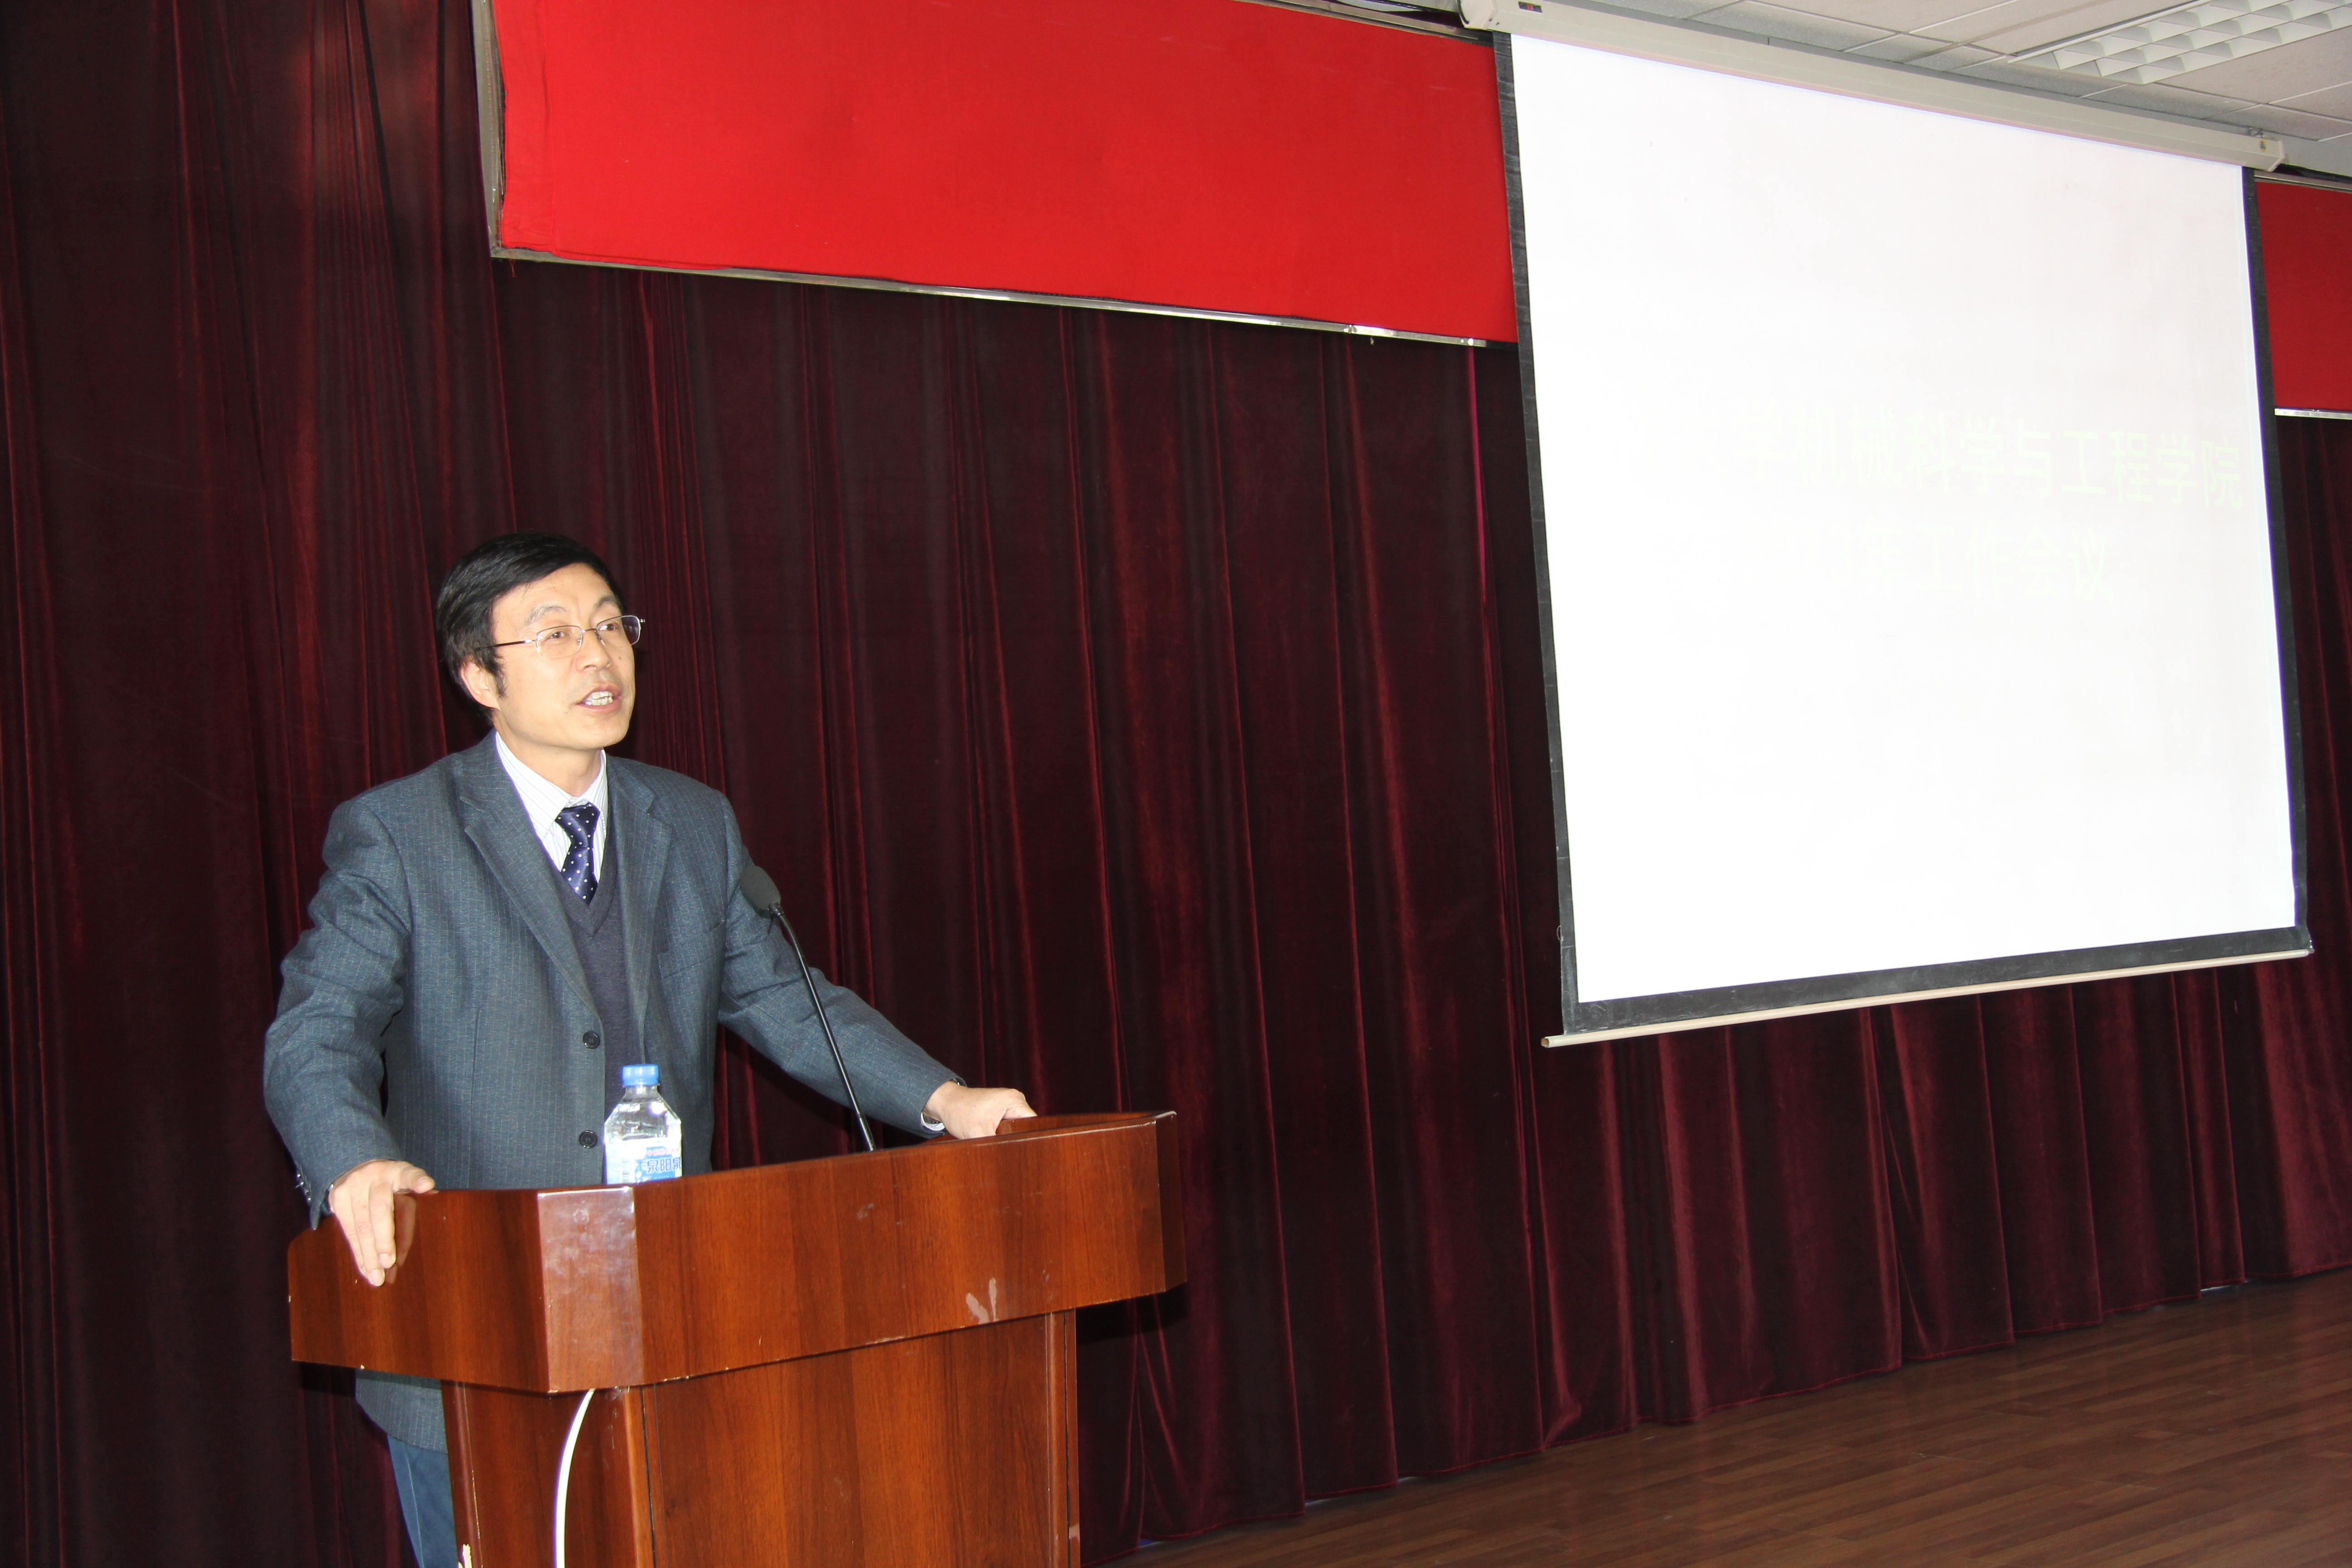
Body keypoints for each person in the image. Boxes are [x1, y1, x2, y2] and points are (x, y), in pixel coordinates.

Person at [262, 532, 1034, 1568]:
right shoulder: (401, 833)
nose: (598, 656)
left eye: (609, 627)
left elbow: (784, 998)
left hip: (665, 1303)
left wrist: (945, 1099)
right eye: (554, 635)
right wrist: (355, 1162)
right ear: (478, 676)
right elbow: (317, 1030)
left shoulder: (691, 820)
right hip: (474, 1317)